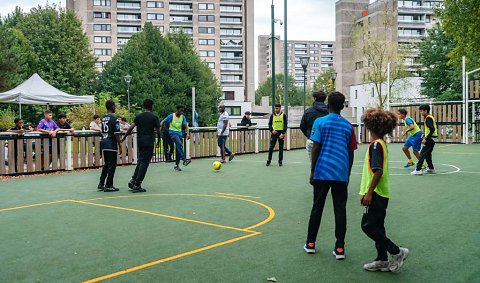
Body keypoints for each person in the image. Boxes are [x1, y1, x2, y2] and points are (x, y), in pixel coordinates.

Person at [304, 92, 357, 260]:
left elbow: (316, 147)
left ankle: (310, 244)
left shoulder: (320, 122)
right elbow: (351, 152)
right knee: (340, 210)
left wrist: (313, 171)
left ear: (328, 105)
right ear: (343, 107)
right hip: (340, 172)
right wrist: (347, 173)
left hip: (322, 171)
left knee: (317, 208)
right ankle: (340, 248)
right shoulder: (348, 126)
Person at [360, 108, 409, 273]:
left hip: (376, 193)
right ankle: (382, 259)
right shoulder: (380, 143)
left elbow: (377, 170)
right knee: (378, 226)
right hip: (381, 193)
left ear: (371, 126)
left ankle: (397, 251)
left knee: (367, 226)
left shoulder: (375, 145)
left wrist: (368, 193)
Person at [122, 99, 161, 193]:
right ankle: (137, 184)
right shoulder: (154, 117)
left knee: (140, 161)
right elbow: (158, 130)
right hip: (149, 141)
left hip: (140, 141)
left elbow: (131, 127)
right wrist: (159, 141)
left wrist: (124, 137)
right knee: (145, 162)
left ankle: (133, 180)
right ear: (151, 106)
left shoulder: (139, 116)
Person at [98, 100, 122, 192]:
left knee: (107, 164)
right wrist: (119, 145)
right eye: (114, 106)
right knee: (112, 165)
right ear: (112, 107)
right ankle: (109, 184)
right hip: (111, 143)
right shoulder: (114, 118)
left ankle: (101, 183)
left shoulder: (103, 118)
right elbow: (116, 133)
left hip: (104, 141)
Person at [160, 105, 191, 171]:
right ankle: (184, 159)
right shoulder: (171, 116)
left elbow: (186, 126)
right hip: (172, 133)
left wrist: (188, 134)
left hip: (179, 133)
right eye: (181, 110)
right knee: (179, 144)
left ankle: (176, 165)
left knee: (178, 149)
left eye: (183, 111)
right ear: (177, 110)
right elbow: (163, 121)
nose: (182, 112)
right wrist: (159, 129)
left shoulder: (183, 117)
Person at [300, 91, 329, 161]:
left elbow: (302, 126)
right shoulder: (329, 112)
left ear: (315, 98)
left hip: (312, 140)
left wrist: (309, 134)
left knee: (313, 163)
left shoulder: (308, 111)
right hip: (326, 141)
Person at [411, 105, 438, 175]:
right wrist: (424, 134)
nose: (421, 113)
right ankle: (431, 168)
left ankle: (418, 169)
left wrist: (426, 138)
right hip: (432, 137)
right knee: (428, 154)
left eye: (421, 111)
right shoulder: (429, 117)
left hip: (431, 138)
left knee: (422, 153)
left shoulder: (428, 118)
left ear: (426, 111)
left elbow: (432, 129)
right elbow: (429, 129)